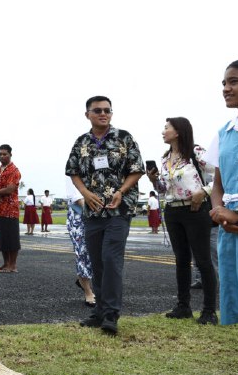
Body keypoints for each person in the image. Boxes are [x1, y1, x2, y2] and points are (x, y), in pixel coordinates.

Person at [66, 96, 144, 336]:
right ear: (87, 114)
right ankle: (99, 311)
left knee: (111, 259)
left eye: (107, 110)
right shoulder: (82, 142)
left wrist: (121, 191)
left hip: (119, 209)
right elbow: (73, 171)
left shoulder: (124, 138)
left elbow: (136, 170)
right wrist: (85, 193)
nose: (103, 114)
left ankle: (111, 314)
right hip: (92, 211)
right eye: (97, 110)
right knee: (97, 261)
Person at [207, 57, 238, 374]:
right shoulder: (223, 133)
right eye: (224, 83)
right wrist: (219, 211)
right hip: (234, 232)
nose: (226, 88)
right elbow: (218, 185)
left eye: (234, 81)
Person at [146, 117, 217, 325]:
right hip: (173, 211)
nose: (163, 131)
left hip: (195, 210)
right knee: (181, 260)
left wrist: (204, 192)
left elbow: (221, 175)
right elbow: (163, 189)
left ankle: (209, 310)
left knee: (203, 261)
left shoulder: (196, 153)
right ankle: (183, 306)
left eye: (166, 128)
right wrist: (153, 180)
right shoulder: (166, 157)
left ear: (178, 131)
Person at [0, 145, 21, 272]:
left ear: (10, 155)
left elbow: (10, 189)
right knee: (2, 238)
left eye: (4, 154)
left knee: (11, 238)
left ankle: (12, 265)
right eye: (0, 154)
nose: (2, 156)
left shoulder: (14, 171)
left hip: (10, 210)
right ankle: (6, 263)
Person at [65, 178, 95, 307]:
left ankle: (83, 280)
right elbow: (75, 195)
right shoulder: (73, 165)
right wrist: (92, 210)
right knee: (82, 252)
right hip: (79, 214)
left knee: (97, 252)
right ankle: (88, 291)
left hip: (100, 213)